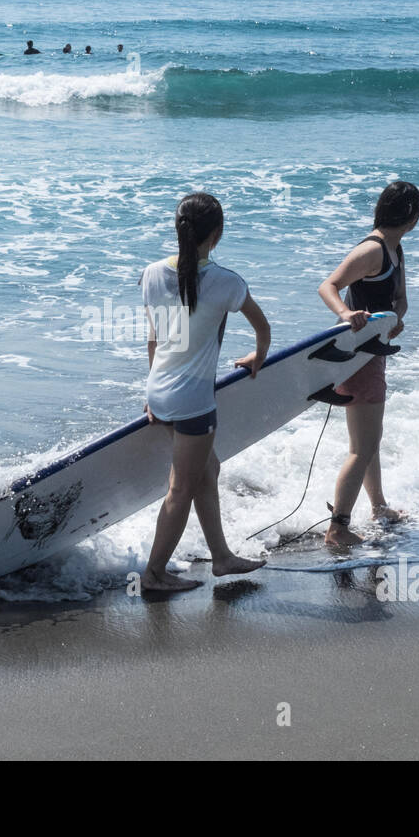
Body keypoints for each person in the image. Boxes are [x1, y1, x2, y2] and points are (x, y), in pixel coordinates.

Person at [139, 192, 270, 592]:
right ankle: (155, 574)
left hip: (158, 392)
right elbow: (263, 329)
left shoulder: (151, 273)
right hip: (194, 403)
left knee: (207, 471)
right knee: (180, 488)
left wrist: (154, 392)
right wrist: (257, 358)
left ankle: (222, 558)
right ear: (217, 233)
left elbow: (153, 340)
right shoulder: (226, 282)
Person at [316, 180, 419, 548]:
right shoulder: (372, 250)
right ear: (410, 214)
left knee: (368, 441)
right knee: (362, 447)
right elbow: (328, 285)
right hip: (356, 355)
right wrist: (347, 313)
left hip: (373, 351)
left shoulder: (396, 249)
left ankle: (378, 507)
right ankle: (337, 528)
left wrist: (395, 318)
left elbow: (401, 298)